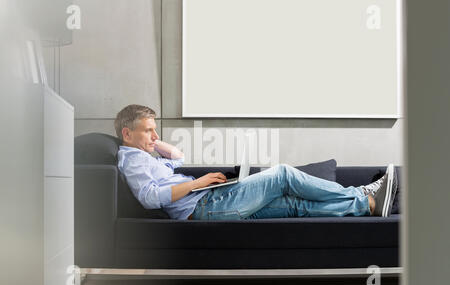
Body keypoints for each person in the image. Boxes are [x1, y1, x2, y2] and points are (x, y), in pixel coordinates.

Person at [115, 104, 398, 221]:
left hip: (209, 201)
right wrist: (199, 183)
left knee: (294, 204)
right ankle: (360, 193)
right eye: (147, 130)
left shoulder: (144, 154)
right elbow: (151, 198)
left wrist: (151, 138)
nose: (155, 135)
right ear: (127, 133)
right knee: (283, 175)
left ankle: (369, 205)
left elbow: (178, 157)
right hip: (204, 206)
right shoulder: (133, 161)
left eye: (155, 129)